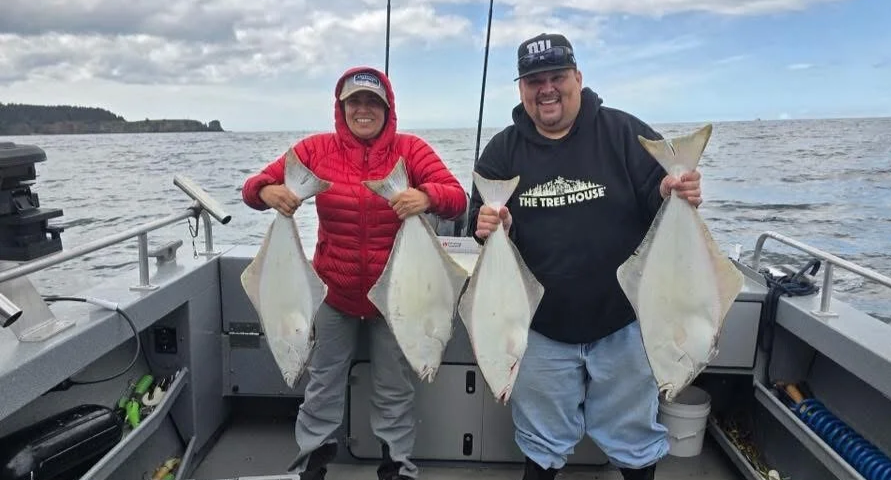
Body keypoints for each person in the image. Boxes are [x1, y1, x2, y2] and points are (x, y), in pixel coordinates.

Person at [467, 33, 703, 480]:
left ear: (578, 77)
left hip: (625, 321)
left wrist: (674, 191)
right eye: (534, 81)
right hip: (539, 326)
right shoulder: (502, 151)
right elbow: (475, 229)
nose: (547, 89)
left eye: (557, 77)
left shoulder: (624, 133)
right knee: (541, 442)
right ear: (521, 89)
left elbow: (660, 201)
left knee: (634, 438)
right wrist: (490, 227)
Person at [241, 66, 468, 480]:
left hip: (396, 296)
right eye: (354, 102)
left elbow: (457, 198)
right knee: (322, 384)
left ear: (388, 108)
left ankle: (397, 466)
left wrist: (425, 196)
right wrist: (267, 191)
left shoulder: (411, 150)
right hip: (334, 293)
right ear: (341, 108)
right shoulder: (316, 150)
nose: (363, 109)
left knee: (394, 389)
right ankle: (312, 462)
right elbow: (252, 188)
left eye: (373, 102)